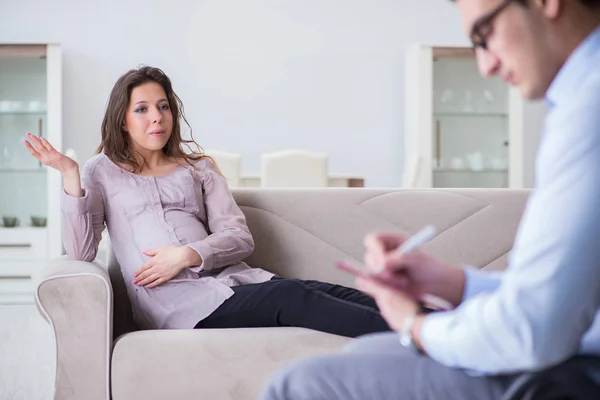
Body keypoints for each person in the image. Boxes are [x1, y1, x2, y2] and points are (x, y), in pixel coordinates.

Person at [262, 0, 600, 399]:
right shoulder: (579, 100)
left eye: (484, 34)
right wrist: (451, 283)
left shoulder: (587, 111)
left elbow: (531, 329)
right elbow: (561, 296)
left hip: (574, 372)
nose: (485, 66)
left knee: (299, 385)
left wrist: (415, 327)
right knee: (368, 353)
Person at [24, 66, 390, 338]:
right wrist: (70, 177)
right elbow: (81, 253)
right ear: (122, 120)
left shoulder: (197, 168)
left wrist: (188, 254)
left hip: (234, 283)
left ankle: (430, 319)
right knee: (293, 294)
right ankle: (417, 338)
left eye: (164, 106)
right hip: (178, 304)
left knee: (322, 289)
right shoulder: (100, 171)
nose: (157, 118)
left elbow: (239, 237)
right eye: (142, 109)